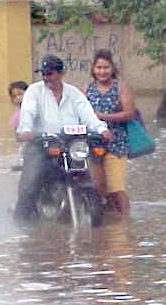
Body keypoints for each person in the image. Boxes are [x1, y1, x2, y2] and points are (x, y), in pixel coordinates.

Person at [14, 54, 113, 222]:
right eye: (43, 74)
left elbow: (88, 115)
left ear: (61, 74)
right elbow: (28, 113)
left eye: (50, 74)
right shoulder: (34, 91)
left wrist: (102, 129)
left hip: (70, 145)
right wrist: (26, 130)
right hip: (41, 145)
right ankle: (21, 224)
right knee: (30, 185)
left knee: (90, 176)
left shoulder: (74, 93)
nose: (46, 78)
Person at [83, 49, 136, 215]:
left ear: (112, 68)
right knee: (98, 186)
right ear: (93, 69)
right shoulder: (86, 89)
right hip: (92, 143)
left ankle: (125, 223)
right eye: (99, 67)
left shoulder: (120, 87)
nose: (102, 71)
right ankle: (108, 227)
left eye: (106, 67)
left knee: (116, 187)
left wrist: (102, 117)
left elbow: (129, 113)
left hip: (116, 143)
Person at [8, 80, 28, 169]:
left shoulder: (39, 109)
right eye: (14, 96)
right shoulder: (16, 116)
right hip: (26, 147)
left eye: (20, 94)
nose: (18, 98)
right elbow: (17, 137)